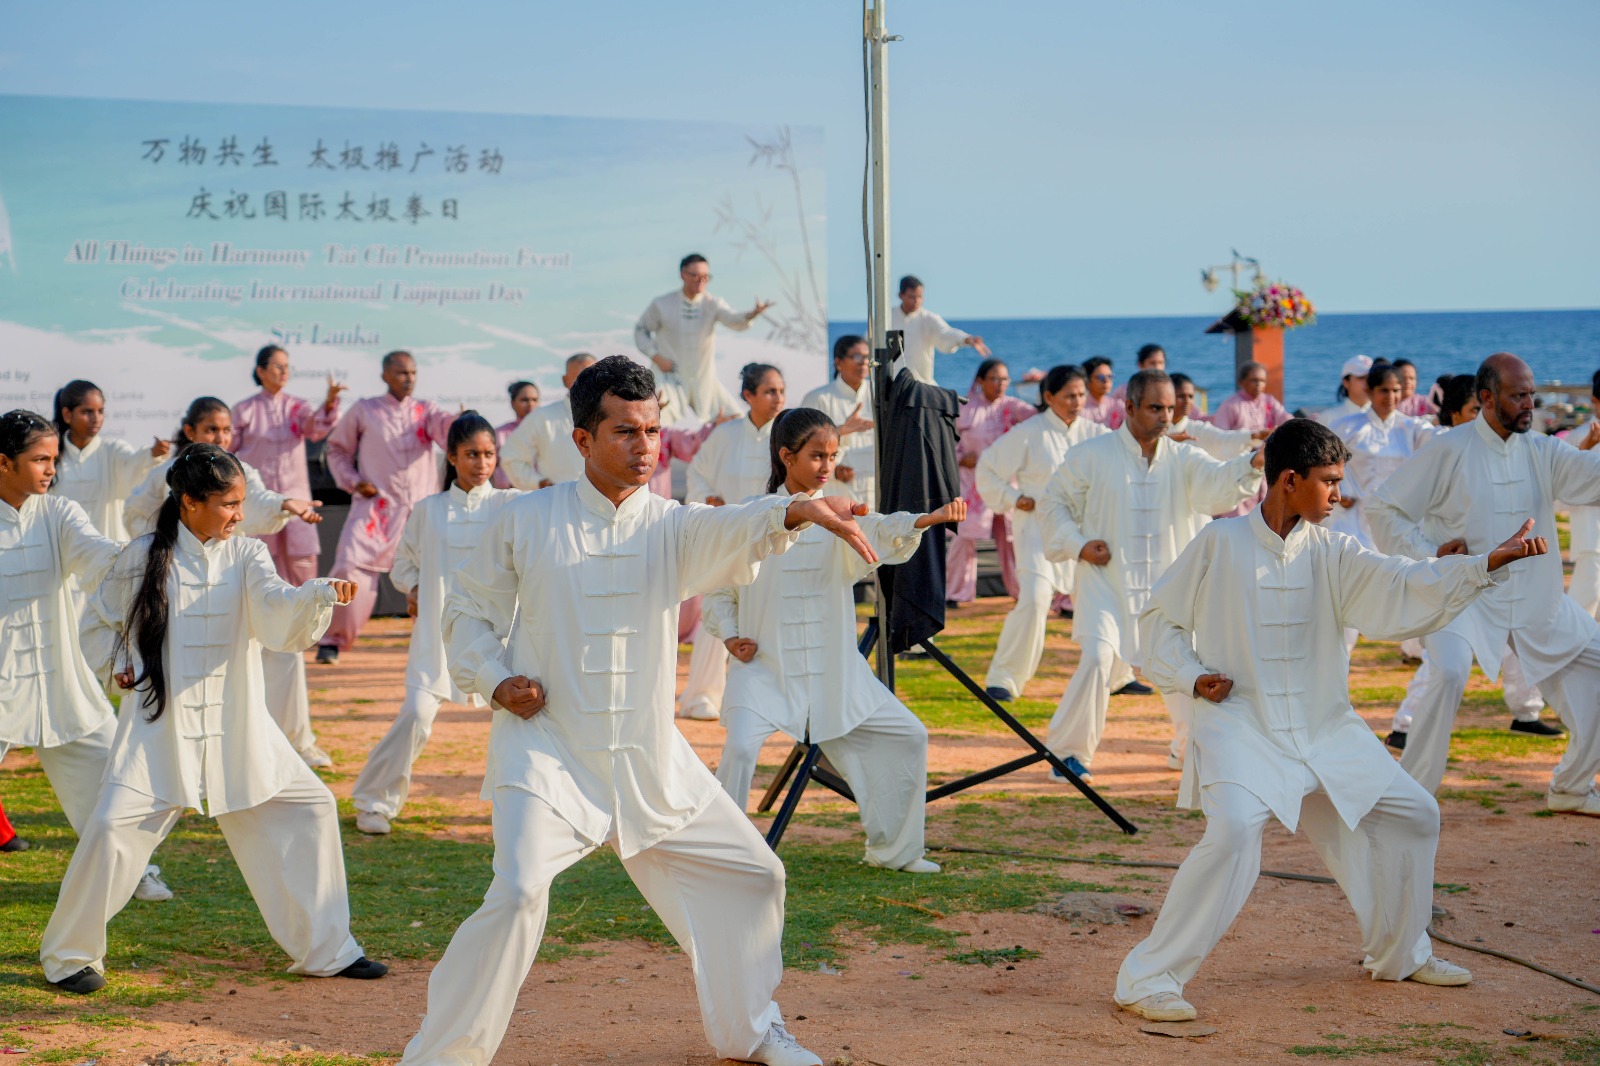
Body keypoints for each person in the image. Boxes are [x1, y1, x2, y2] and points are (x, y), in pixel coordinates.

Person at [399, 355, 876, 1066]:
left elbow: (731, 528)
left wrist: (793, 511)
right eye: (625, 432)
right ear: (583, 440)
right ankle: (442, 1056)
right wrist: (496, 679)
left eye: (652, 431)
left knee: (755, 876)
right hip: (548, 750)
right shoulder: (523, 517)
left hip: (650, 756)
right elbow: (466, 614)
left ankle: (752, 1030)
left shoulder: (669, 524)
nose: (645, 446)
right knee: (522, 889)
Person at [1115, 418, 1543, 1024]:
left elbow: (1401, 583)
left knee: (1417, 814)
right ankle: (1148, 979)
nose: (1340, 494)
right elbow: (1160, 621)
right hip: (1242, 725)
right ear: (1289, 480)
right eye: (1331, 482)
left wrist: (1482, 565)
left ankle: (1401, 953)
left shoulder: (1336, 549)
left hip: (1324, 729)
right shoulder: (1218, 543)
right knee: (1235, 831)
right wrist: (1190, 676)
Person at [44, 444, 388, 994]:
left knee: (314, 807)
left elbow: (277, 609)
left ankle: (328, 949)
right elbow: (96, 627)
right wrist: (124, 666)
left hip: (240, 731)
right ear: (188, 502)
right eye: (229, 504)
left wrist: (316, 596)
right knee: (110, 830)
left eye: (242, 503)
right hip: (160, 733)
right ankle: (69, 957)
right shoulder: (139, 557)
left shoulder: (248, 554)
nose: (239, 515)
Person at [706, 407, 963, 872]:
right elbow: (721, 584)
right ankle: (722, 861)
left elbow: (881, 527)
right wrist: (730, 635)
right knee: (741, 749)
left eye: (832, 455)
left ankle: (895, 851)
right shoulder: (749, 515)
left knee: (909, 736)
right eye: (816, 455)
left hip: (835, 672)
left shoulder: (843, 509)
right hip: (765, 669)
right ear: (787, 456)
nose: (826, 465)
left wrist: (926, 520)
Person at [1368, 353, 1600, 813]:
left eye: (1532, 393)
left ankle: (1572, 787)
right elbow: (1382, 509)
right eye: (1519, 395)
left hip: (1536, 598)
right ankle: (1407, 801)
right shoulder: (1448, 448)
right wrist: (1429, 553)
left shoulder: (1542, 449)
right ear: (1488, 398)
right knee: (1450, 673)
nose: (1529, 403)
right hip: (1462, 594)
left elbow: (1590, 477)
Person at [1038, 371, 1266, 778]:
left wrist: (1252, 462)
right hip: (1106, 586)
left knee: (1184, 669)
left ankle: (1186, 747)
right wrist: (1079, 545)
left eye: (1171, 408)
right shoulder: (1092, 455)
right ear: (1129, 408)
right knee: (1098, 658)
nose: (1165, 416)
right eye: (1155, 408)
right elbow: (1055, 504)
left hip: (1167, 592)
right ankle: (1068, 753)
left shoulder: (1184, 457)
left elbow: (1216, 486)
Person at [0, 409, 171, 901]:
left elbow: (100, 555)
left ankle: (134, 869)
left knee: (111, 777)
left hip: (60, 681)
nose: (51, 469)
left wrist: (146, 556)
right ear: (4, 463)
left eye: (53, 458)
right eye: (39, 459)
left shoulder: (59, 513)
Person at [126, 396, 333, 769]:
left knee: (282, 651)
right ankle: (183, 754)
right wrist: (162, 552)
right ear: (190, 431)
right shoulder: (166, 474)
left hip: (236, 575)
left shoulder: (238, 470)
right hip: (178, 582)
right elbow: (137, 514)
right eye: (211, 430)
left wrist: (287, 504)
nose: (220, 437)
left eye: (226, 430)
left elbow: (260, 499)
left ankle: (296, 742)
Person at [352, 413, 520, 835]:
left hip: (500, 635)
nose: (481, 463)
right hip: (437, 636)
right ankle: (373, 802)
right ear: (452, 456)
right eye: (471, 455)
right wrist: (414, 589)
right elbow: (403, 565)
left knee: (521, 721)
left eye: (488, 454)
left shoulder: (511, 503)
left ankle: (534, 809)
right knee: (416, 715)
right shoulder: (429, 510)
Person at [1384, 373, 1553, 749]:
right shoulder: (1442, 446)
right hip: (1455, 567)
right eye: (1475, 410)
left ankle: (1527, 711)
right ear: (1456, 415)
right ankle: (1405, 725)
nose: (1482, 416)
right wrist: (1434, 549)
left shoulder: (1496, 447)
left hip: (1498, 565)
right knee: (1446, 662)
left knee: (1520, 639)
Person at [317, 351, 456, 664]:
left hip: (421, 512)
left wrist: (461, 423)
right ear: (384, 376)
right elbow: (337, 450)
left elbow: (449, 433)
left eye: (412, 373)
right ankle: (332, 641)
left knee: (435, 577)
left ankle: (439, 648)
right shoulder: (366, 410)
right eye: (401, 373)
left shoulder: (426, 411)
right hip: (375, 510)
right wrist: (354, 481)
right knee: (349, 567)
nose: (408, 378)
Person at [978, 366, 1107, 701]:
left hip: (1083, 532)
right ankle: (1004, 678)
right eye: (1069, 396)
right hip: (1037, 530)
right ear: (1049, 397)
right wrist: (1012, 498)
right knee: (1035, 599)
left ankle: (1117, 675)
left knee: (1104, 598)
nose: (1077, 402)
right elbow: (988, 468)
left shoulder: (1096, 433)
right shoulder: (1028, 432)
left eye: (1081, 395)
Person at [679, 364, 788, 721]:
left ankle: (771, 698)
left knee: (770, 617)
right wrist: (708, 498)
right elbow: (698, 472)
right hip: (729, 538)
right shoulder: (725, 435)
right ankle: (701, 697)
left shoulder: (788, 435)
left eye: (781, 391)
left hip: (775, 540)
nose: (778, 398)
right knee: (719, 615)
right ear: (748, 396)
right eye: (770, 391)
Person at [231, 345, 344, 582]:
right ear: (261, 371)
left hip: (296, 496)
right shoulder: (244, 410)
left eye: (287, 367)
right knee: (260, 562)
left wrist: (330, 402)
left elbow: (315, 430)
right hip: (260, 497)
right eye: (278, 366)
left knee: (302, 558)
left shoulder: (297, 407)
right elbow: (226, 449)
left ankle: (305, 614)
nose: (284, 371)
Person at [635, 253, 772, 420]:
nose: (701, 280)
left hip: (703, 378)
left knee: (734, 419)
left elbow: (733, 320)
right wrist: (657, 357)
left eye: (706, 276)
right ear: (683, 275)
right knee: (656, 419)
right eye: (696, 275)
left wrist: (752, 314)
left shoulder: (713, 303)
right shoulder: (662, 304)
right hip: (670, 377)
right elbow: (640, 331)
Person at [948, 359, 1035, 606]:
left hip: (1007, 485)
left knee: (1013, 539)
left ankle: (1022, 592)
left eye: (1005, 379)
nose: (1000, 384)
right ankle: (956, 593)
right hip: (973, 486)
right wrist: (961, 458)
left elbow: (1041, 418)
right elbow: (947, 441)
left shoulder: (1013, 407)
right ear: (980, 381)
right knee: (964, 537)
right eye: (995, 379)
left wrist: (1039, 385)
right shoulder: (965, 408)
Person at [49, 379, 168, 543]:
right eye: (87, 412)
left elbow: (132, 469)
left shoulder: (113, 451)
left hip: (110, 556)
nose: (96, 418)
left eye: (100, 411)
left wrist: (152, 455)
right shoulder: (51, 455)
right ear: (67, 415)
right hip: (65, 555)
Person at [798, 335, 878, 509]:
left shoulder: (880, 396)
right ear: (838, 362)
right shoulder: (818, 398)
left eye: (867, 357)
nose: (863, 362)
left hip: (876, 493)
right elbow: (801, 448)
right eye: (857, 357)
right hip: (833, 496)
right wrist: (834, 471)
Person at [1211, 361, 1293, 518]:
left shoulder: (1269, 402)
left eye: (1262, 381)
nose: (1259, 385)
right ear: (1241, 382)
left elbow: (1286, 419)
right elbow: (1220, 439)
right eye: (1254, 380)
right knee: (1239, 514)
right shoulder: (1230, 406)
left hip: (1267, 466)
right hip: (1240, 468)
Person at [501, 354, 597, 490]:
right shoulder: (543, 417)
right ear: (565, 380)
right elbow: (511, 457)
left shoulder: (614, 415)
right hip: (559, 504)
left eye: (593, 376)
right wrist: (539, 483)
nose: (587, 382)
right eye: (580, 377)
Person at [889, 274, 989, 385]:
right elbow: (869, 344)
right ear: (900, 295)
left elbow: (946, 333)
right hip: (892, 386)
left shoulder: (929, 319)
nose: (917, 301)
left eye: (920, 297)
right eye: (912, 297)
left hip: (921, 385)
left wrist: (966, 339)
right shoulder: (887, 317)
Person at [1557, 370, 1600, 619]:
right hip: (1591, 538)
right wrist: (1583, 451)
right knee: (1584, 606)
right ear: (1595, 402)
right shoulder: (1579, 437)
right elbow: (1559, 485)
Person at [1167, 372, 1266, 460]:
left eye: (1191, 396)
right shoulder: (1155, 428)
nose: (1187, 401)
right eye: (1181, 396)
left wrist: (1252, 436)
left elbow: (1222, 439)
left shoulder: (1198, 429)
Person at [491, 380, 539, 489]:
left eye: (535, 400)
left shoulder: (547, 432)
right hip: (507, 497)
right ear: (513, 403)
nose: (531, 404)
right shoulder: (500, 434)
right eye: (524, 400)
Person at [1313, 354, 1373, 427]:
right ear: (1346, 382)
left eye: (1371, 377)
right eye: (1361, 377)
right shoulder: (1329, 418)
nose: (1367, 382)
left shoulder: (1384, 415)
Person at [1081, 356, 1120, 427]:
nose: (1106, 381)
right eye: (1101, 377)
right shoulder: (1079, 408)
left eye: (1110, 376)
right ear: (1087, 380)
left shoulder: (1116, 405)